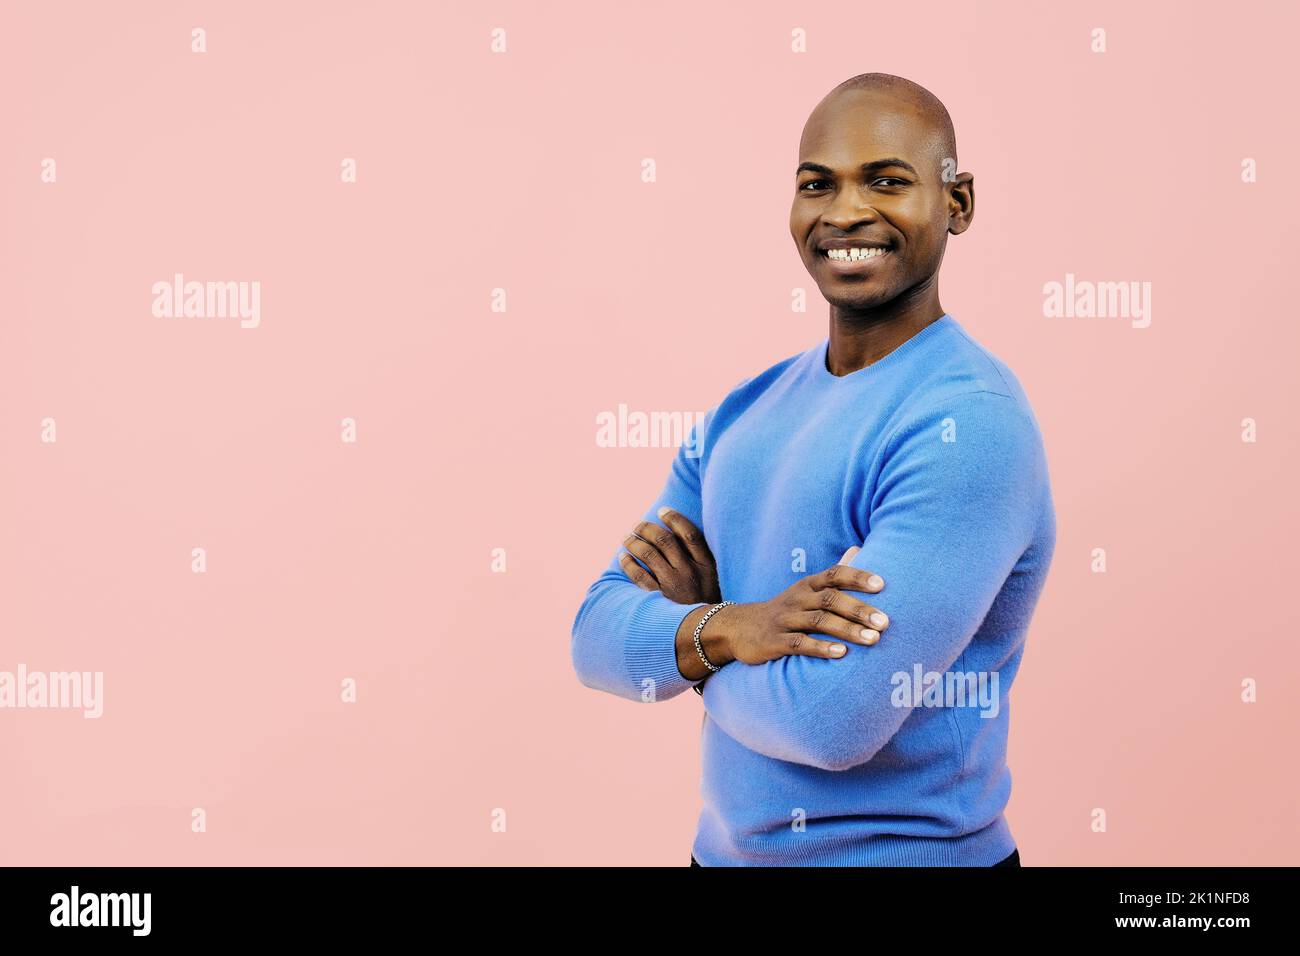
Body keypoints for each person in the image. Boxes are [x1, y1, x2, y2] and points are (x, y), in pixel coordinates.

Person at [570, 72, 1055, 866]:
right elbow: (594, 637)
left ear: (957, 204)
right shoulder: (746, 409)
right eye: (816, 184)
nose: (846, 212)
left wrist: (690, 649)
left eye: (887, 181)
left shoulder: (969, 425)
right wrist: (734, 625)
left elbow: (829, 721)